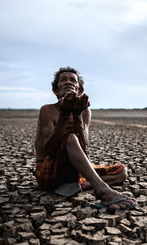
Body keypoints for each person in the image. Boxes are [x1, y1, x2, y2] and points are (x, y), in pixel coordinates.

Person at [35, 67, 137, 210]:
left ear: (80, 90)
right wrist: (64, 114)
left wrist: (77, 115)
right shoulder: (47, 110)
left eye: (73, 80)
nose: (68, 82)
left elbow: (84, 145)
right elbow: (48, 148)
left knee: (121, 172)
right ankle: (103, 190)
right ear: (55, 90)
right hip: (48, 171)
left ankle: (82, 184)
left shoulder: (84, 111)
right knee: (70, 138)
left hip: (72, 171)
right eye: (63, 80)